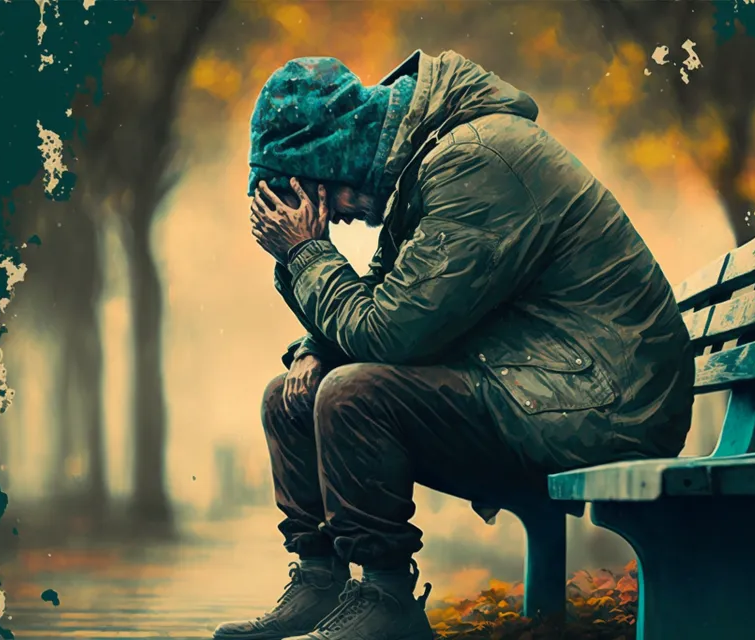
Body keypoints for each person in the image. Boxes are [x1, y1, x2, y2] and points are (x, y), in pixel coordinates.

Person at [214, 50, 695, 640]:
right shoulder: (430, 164)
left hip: (605, 404)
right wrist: (314, 343)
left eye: (316, 196)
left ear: (336, 153)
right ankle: (322, 582)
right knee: (291, 396)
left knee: (351, 393)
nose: (331, 220)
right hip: (542, 382)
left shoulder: (477, 163)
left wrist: (303, 254)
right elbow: (395, 301)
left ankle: (387, 598)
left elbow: (389, 333)